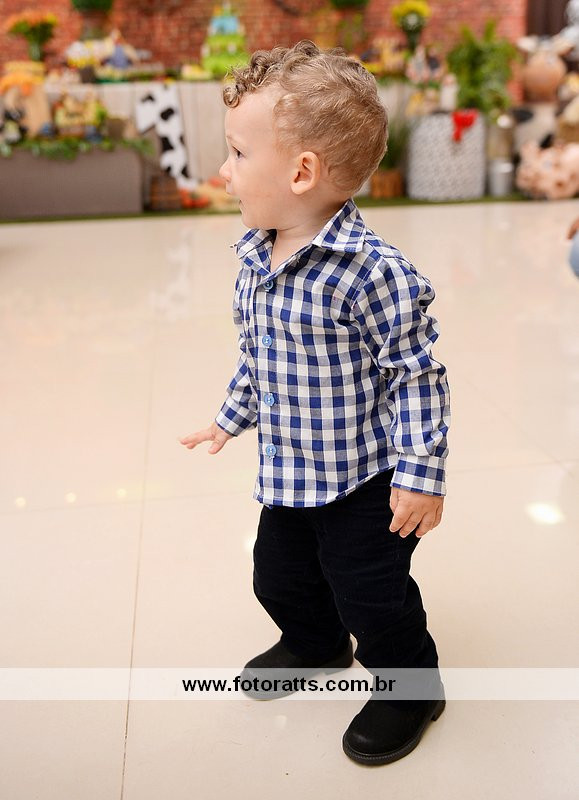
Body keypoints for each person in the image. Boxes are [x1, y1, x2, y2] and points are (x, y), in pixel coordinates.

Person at [179, 40, 450, 766]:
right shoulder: (254, 253)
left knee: (372, 596)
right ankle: (314, 642)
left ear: (301, 173)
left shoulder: (373, 273)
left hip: (364, 480)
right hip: (291, 472)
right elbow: (259, 355)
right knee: (278, 575)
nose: (223, 171)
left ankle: (411, 687)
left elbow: (415, 376)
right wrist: (228, 419)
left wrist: (421, 474)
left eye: (238, 154)